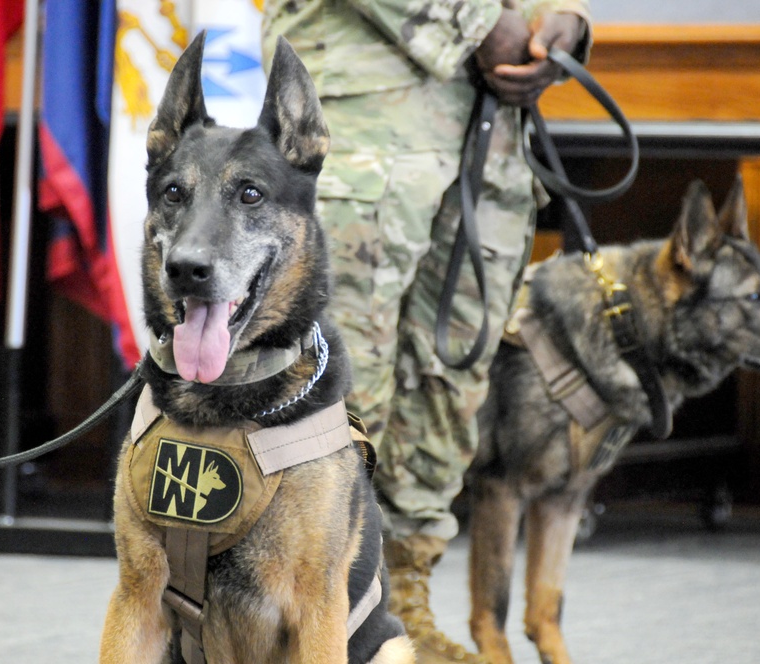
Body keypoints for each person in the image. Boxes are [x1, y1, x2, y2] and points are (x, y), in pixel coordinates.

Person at [261, 2, 592, 662]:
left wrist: (565, 21)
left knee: (447, 388)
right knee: (330, 387)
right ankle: (290, 626)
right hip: (361, 117)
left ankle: (394, 614)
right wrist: (475, 23)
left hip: (492, 138)